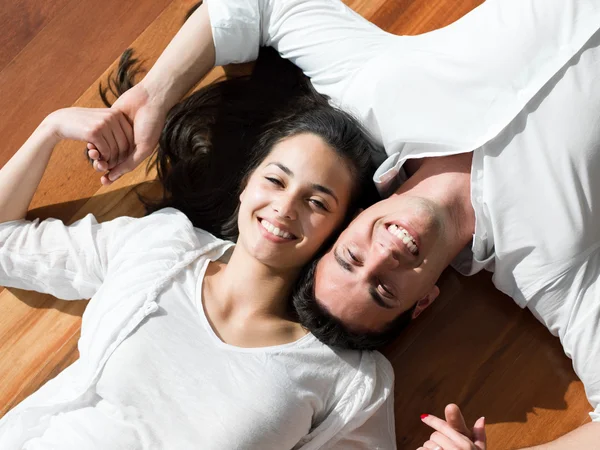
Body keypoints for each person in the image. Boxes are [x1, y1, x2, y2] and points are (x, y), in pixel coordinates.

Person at [92, 0, 600, 447]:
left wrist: (157, 94)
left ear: (346, 226)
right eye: (383, 291)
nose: (383, 257)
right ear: (423, 301)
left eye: (351, 258)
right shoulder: (550, 270)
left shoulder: (377, 90)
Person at [0, 54, 397, 448]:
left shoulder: (348, 377)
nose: (285, 207)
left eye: (317, 203)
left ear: (340, 229)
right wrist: (50, 128)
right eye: (276, 180)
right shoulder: (162, 245)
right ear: (246, 184)